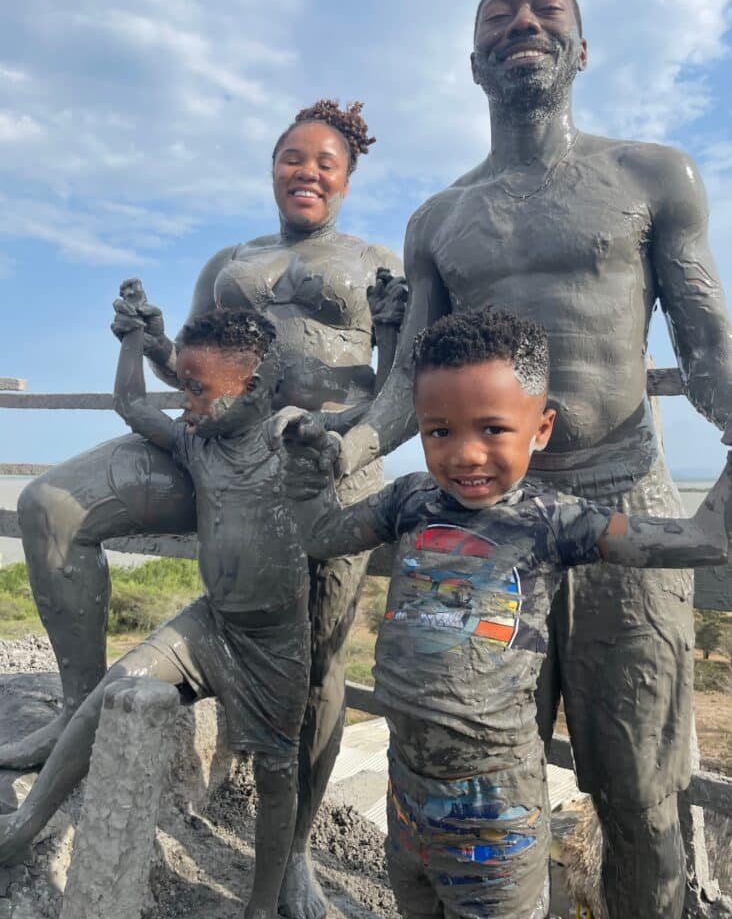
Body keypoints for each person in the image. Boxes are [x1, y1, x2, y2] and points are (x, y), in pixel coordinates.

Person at [332, 0, 732, 918]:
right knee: (462, 740)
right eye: (499, 14)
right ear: (474, 62)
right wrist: (336, 449)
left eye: (547, 9)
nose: (524, 21)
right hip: (481, 520)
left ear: (582, 49)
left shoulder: (652, 174)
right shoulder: (437, 219)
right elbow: (405, 387)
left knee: (638, 789)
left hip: (621, 501)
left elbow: (706, 341)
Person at [12, 99, 405, 919]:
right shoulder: (231, 260)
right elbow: (189, 363)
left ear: (348, 176)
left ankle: (290, 851)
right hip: (211, 446)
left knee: (322, 657)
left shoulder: (376, 261)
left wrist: (358, 444)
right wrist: (150, 336)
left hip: (318, 462)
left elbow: (398, 378)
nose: (307, 171)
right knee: (49, 502)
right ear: (272, 169)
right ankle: (79, 712)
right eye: (291, 157)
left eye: (325, 161)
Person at [273, 308, 732, 919]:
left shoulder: (554, 521)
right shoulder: (410, 500)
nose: (465, 454)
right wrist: (305, 470)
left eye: (492, 429)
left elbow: (705, 539)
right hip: (404, 791)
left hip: (495, 812)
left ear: (541, 428)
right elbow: (323, 533)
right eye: (438, 432)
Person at [0, 302, 333, 919]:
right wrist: (132, 340)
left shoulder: (287, 444)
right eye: (182, 387)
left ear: (254, 388)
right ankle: (23, 826)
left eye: (198, 390)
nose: (186, 404)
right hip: (209, 625)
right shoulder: (195, 444)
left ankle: (262, 905)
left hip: (275, 648)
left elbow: (381, 418)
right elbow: (131, 406)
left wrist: (390, 343)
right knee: (112, 690)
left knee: (276, 772)